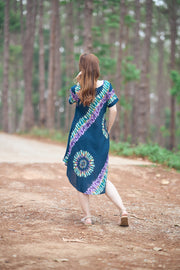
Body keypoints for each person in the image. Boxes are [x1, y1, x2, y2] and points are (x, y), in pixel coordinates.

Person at [63, 53, 128, 226]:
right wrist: (107, 130)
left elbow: (70, 100)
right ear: (97, 67)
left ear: (82, 69)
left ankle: (88, 217)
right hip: (99, 139)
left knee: (81, 177)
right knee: (102, 176)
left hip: (79, 140)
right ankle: (123, 210)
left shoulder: (77, 89)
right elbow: (113, 111)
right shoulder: (107, 87)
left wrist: (78, 80)